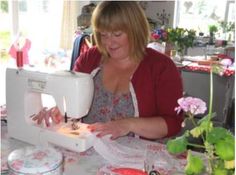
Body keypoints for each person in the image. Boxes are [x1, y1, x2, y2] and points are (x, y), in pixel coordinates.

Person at [34, 1, 183, 141]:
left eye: (117, 34)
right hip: (91, 150)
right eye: (103, 34)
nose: (108, 43)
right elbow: (71, 100)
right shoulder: (89, 59)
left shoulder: (161, 67)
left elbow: (173, 123)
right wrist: (62, 111)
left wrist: (128, 124)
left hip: (140, 157)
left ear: (135, 31)